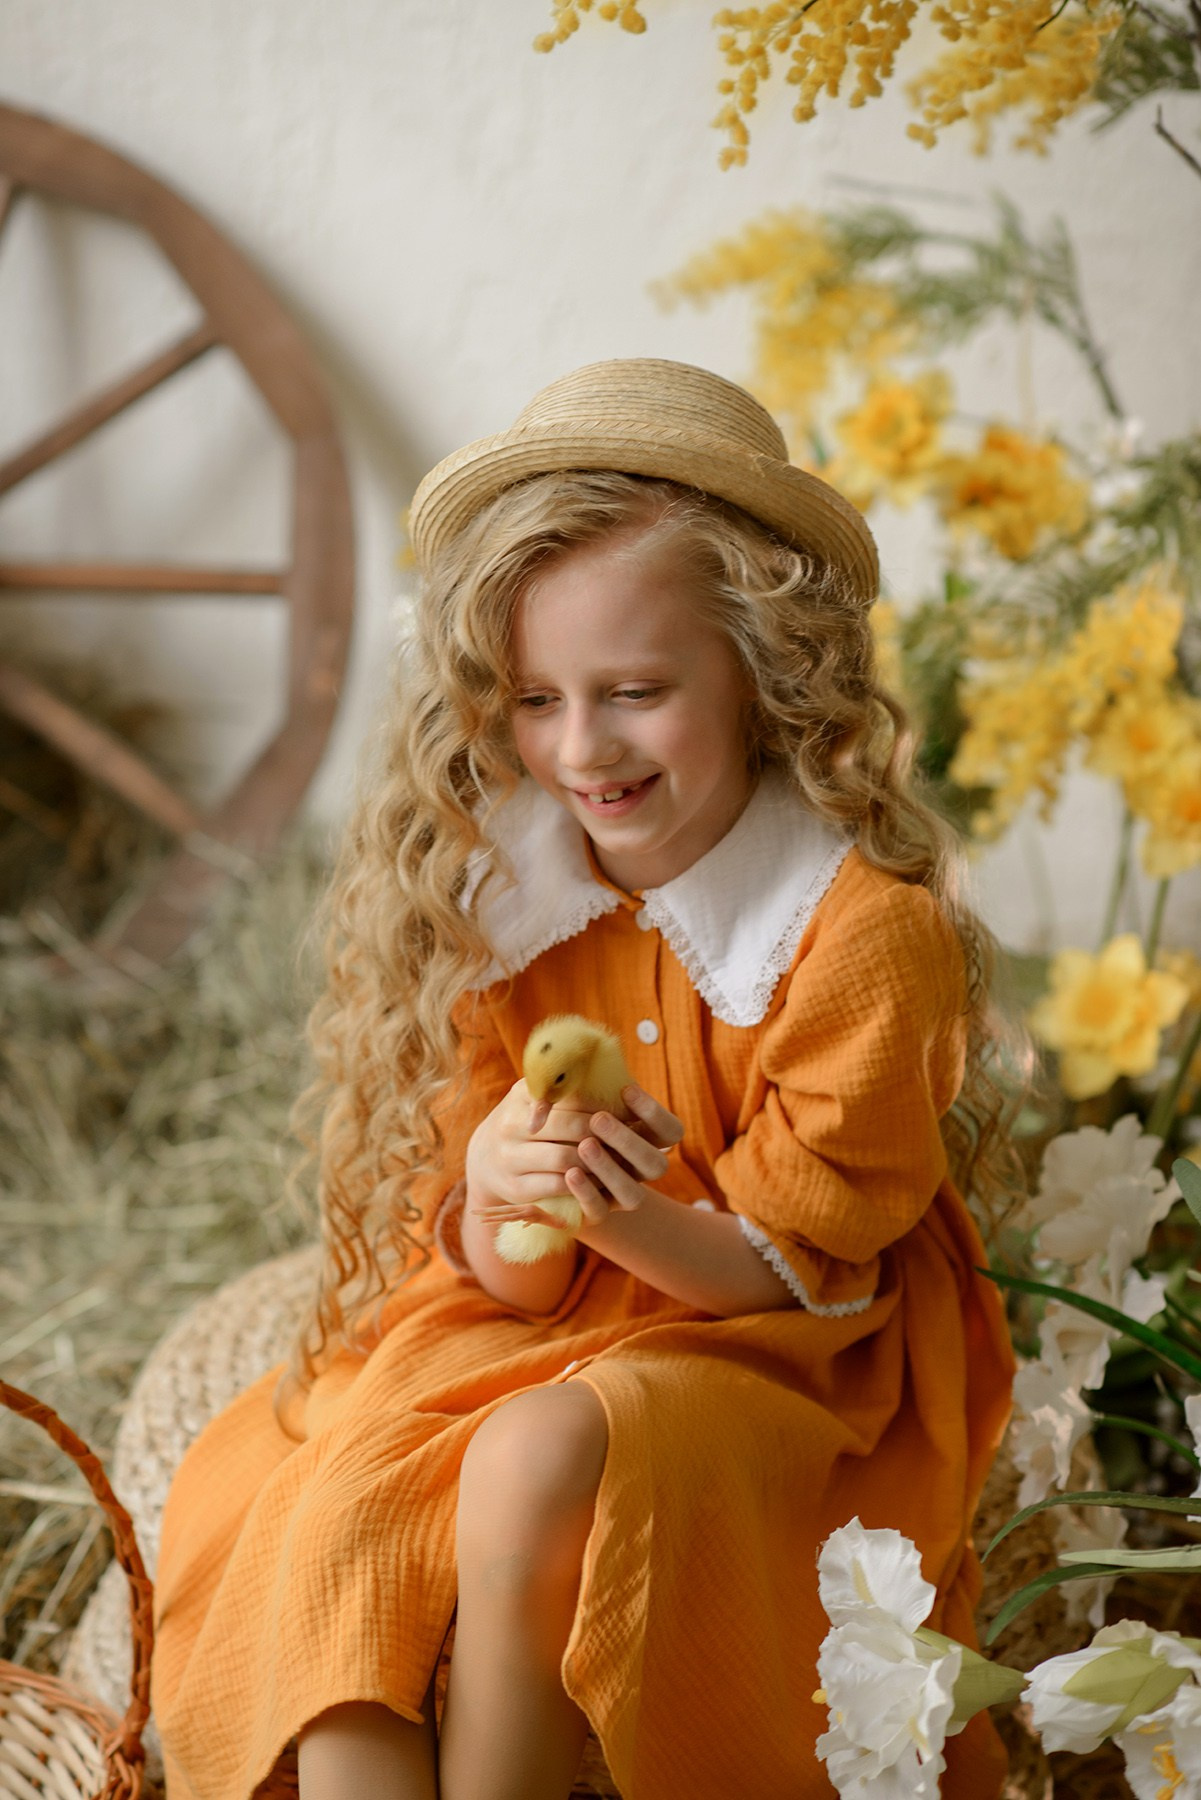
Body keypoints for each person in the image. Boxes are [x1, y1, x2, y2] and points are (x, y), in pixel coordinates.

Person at [151, 358, 1018, 1800]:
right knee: (328, 1498)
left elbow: (804, 1263)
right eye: (537, 698)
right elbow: (502, 1269)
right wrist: (501, 1188)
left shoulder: (860, 933)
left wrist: (621, 1221)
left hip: (789, 1338)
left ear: (761, 669)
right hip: (557, 1306)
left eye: (633, 693)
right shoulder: (509, 898)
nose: (579, 750)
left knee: (539, 1453)